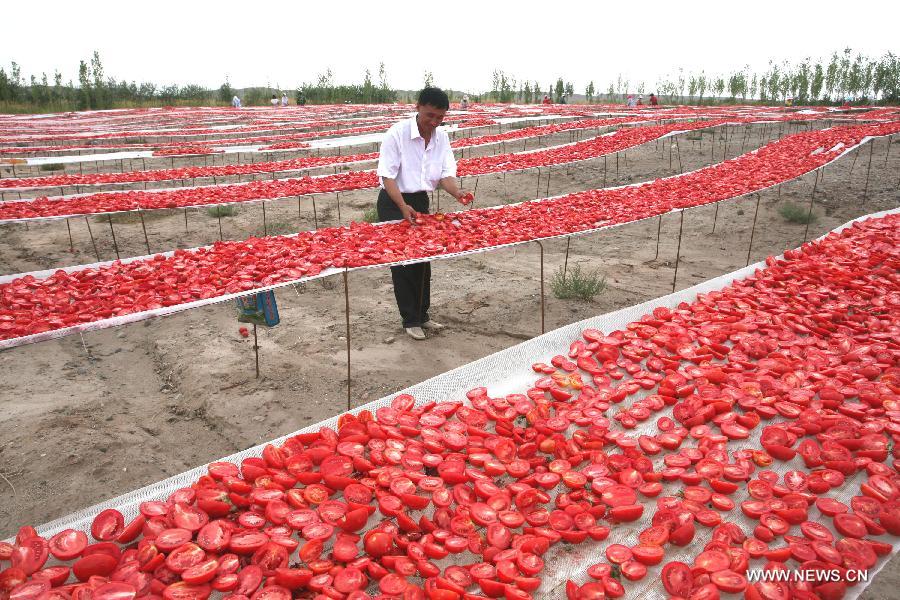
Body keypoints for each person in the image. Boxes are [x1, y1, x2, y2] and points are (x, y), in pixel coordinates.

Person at [376, 87, 473, 340]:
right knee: (402, 262)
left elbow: (444, 175)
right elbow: (387, 175)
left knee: (422, 259)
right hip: (394, 200)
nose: (434, 122)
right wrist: (401, 206)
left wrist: (457, 193)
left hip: (419, 200)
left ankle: (424, 315)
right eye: (430, 115)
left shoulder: (441, 138)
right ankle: (410, 319)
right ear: (418, 107)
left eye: (440, 118)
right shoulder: (397, 134)